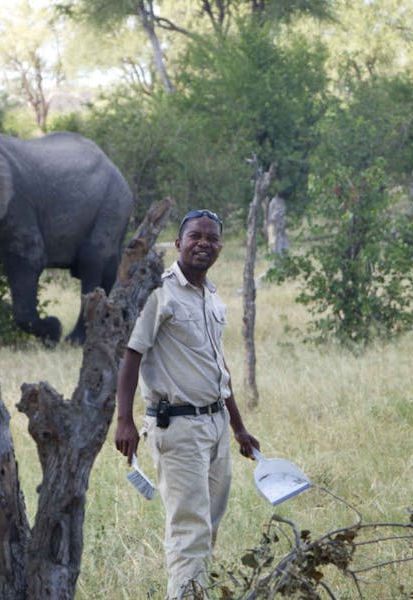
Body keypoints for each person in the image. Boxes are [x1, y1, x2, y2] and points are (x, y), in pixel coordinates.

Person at [115, 208, 260, 599]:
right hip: (176, 427)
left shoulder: (211, 297)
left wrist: (238, 428)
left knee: (208, 524)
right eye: (195, 236)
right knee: (189, 528)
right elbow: (132, 355)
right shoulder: (159, 294)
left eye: (211, 239)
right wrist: (124, 419)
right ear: (179, 244)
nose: (203, 244)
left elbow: (217, 366)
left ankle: (195, 593)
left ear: (219, 248)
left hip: (214, 426)